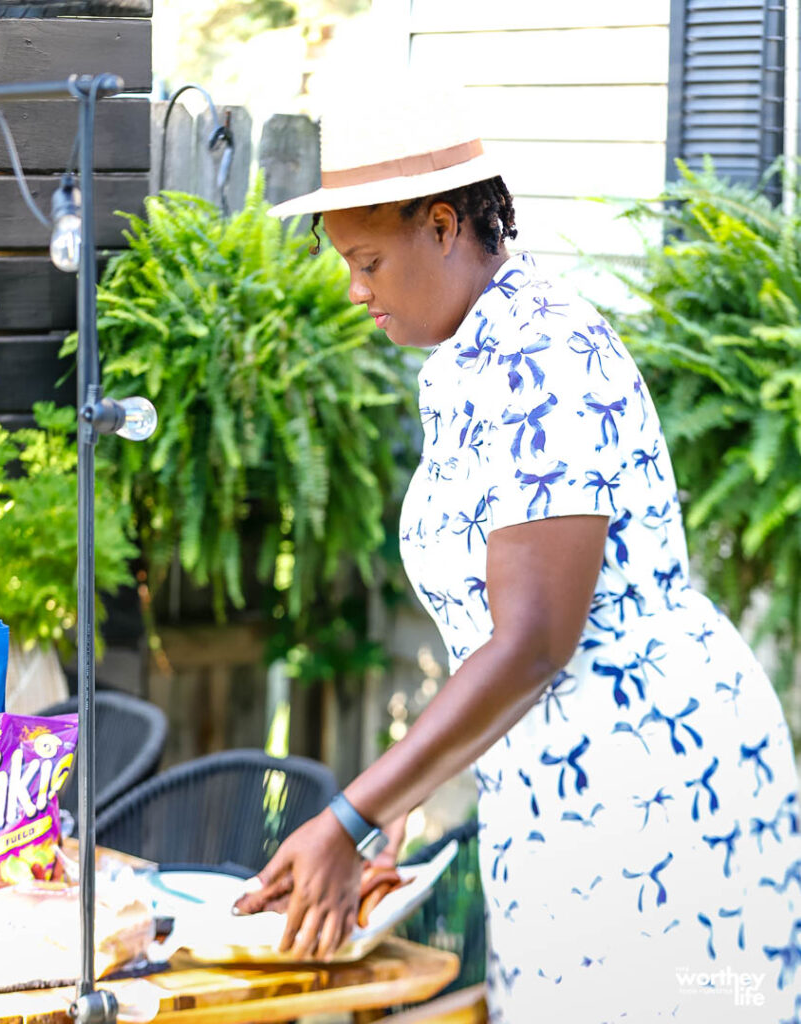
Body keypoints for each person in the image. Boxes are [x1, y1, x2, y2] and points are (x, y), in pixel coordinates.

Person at [235, 80, 801, 1021]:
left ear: (446, 227)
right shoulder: (473, 356)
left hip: (654, 791)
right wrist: (408, 789)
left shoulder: (541, 358)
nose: (354, 286)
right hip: (569, 791)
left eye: (368, 259)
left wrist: (354, 812)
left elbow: (533, 638)